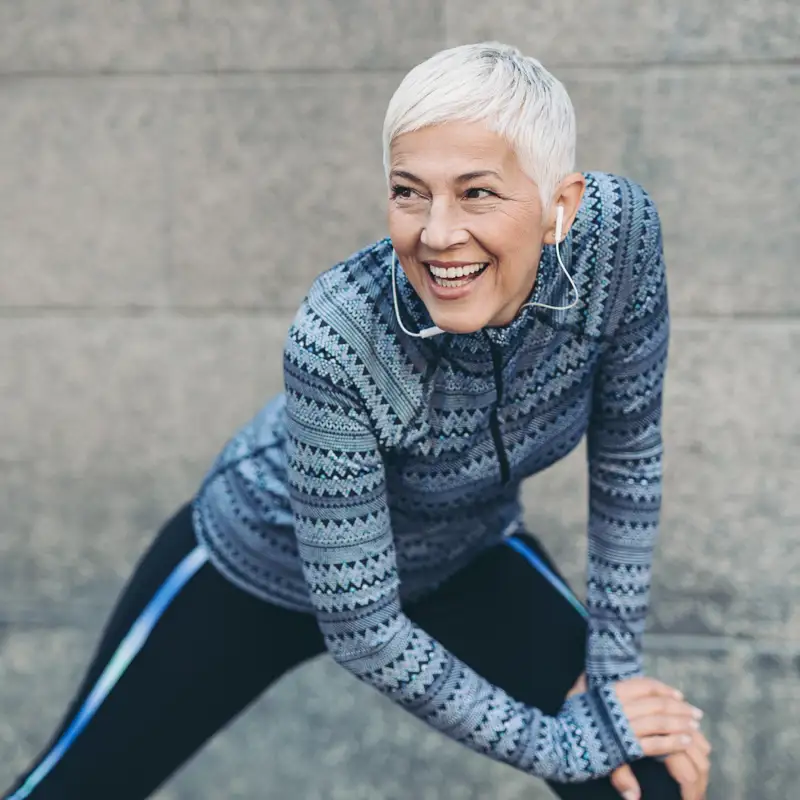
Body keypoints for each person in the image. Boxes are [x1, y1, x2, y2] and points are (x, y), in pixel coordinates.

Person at [3, 42, 711, 800]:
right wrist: (557, 743)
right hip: (260, 565)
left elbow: (628, 452)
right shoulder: (340, 335)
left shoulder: (620, 240)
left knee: (643, 779)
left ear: (559, 207)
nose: (439, 234)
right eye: (411, 192)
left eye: (478, 194)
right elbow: (363, 629)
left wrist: (611, 690)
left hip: (461, 556)